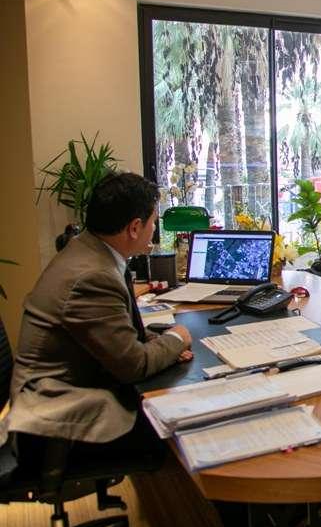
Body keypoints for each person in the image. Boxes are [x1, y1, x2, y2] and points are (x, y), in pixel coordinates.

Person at [2, 172, 193, 460]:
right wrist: (177, 338)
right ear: (134, 227)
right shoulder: (93, 276)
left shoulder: (87, 251)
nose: (154, 229)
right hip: (54, 424)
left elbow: (117, 332)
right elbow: (135, 365)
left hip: (57, 395)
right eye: (153, 221)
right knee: (183, 418)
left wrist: (159, 342)